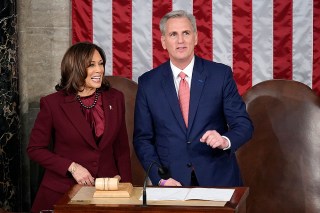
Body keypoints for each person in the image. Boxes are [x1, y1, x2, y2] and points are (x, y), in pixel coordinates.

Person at [133, 10, 253, 187]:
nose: (180, 40)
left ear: (195, 38)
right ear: (164, 42)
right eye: (173, 34)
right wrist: (160, 178)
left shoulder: (220, 75)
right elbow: (143, 139)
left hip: (218, 179)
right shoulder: (148, 83)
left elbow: (243, 125)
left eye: (186, 33)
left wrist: (224, 140)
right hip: (172, 182)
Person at [27, 42, 132, 212]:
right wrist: (72, 167)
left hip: (107, 192)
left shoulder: (115, 98)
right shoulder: (52, 103)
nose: (99, 70)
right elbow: (35, 149)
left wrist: (127, 187)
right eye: (91, 65)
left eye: (101, 64)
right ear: (75, 68)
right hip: (63, 192)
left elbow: (121, 149)